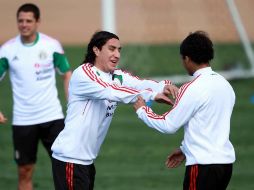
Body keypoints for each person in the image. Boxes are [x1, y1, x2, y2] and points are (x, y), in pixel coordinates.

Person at [51, 30, 178, 190]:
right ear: (96, 50)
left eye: (119, 50)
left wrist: (164, 86)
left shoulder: (116, 75)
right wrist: (151, 95)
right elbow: (111, 91)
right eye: (111, 49)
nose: (117, 55)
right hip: (70, 159)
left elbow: (140, 83)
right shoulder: (84, 74)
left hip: (86, 161)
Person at [134, 31, 235, 190]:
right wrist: (184, 149)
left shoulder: (192, 88)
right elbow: (209, 125)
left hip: (202, 166)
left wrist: (142, 111)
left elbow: (169, 125)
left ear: (187, 58)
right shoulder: (225, 85)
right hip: (225, 165)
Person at [0, 3, 72, 190]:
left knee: (66, 168)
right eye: (21, 21)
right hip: (23, 120)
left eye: (28, 21)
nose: (24, 24)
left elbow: (66, 74)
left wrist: (72, 106)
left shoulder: (51, 46)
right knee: (24, 171)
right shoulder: (7, 50)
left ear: (37, 21)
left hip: (53, 118)